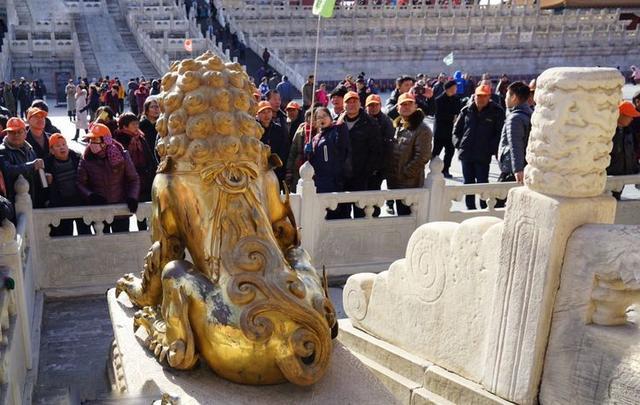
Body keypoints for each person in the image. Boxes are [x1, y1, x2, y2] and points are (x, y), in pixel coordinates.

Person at [77, 123, 140, 233]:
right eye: (90, 141)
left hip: (121, 211)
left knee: (121, 244)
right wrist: (91, 195)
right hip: (99, 211)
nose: (92, 144)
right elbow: (80, 183)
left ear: (105, 141)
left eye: (95, 140)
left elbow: (133, 179)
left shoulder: (122, 155)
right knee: (103, 246)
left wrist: (132, 197)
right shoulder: (86, 159)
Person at [453, 84, 505, 210]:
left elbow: (500, 133)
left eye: (484, 96)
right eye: (478, 96)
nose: (480, 99)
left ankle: (484, 208)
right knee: (468, 184)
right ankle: (470, 209)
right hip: (466, 153)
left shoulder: (496, 112)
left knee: (482, 183)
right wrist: (459, 144)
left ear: (489, 97)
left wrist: (490, 148)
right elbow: (456, 130)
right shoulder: (466, 110)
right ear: (474, 96)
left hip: (483, 154)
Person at [386, 93, 432, 216]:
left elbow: (422, 157)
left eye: (409, 104)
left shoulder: (422, 129)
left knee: (410, 218)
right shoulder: (396, 126)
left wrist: (406, 173)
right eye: (403, 104)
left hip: (410, 183)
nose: (406, 107)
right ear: (397, 108)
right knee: (401, 218)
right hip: (395, 182)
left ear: (415, 106)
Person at [340, 91, 383, 218]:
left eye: (355, 101)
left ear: (360, 103)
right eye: (348, 102)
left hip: (362, 177)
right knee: (343, 213)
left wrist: (367, 171)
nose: (352, 105)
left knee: (361, 212)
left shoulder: (370, 123)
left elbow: (376, 151)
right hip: (342, 176)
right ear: (344, 105)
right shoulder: (338, 123)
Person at [114, 113, 157, 230]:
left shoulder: (141, 138)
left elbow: (149, 157)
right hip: (129, 181)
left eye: (137, 123)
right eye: (133, 124)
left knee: (146, 211)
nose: (137, 126)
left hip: (145, 179)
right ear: (124, 127)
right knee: (130, 212)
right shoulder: (119, 141)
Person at [45, 133, 91, 236]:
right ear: (52, 151)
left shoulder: (77, 158)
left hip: (80, 202)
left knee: (85, 232)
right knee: (65, 234)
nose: (62, 147)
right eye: (57, 146)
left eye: (64, 144)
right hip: (62, 204)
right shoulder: (48, 164)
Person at [308, 107, 350, 219]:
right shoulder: (315, 138)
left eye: (324, 116)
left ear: (330, 117)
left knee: (336, 216)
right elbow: (312, 161)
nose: (322, 119)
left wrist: (341, 126)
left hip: (334, 182)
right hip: (320, 183)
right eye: (318, 117)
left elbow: (341, 144)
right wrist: (307, 151)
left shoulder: (335, 131)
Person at [0, 117, 47, 207]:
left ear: (25, 133)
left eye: (19, 132)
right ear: (6, 134)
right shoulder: (2, 151)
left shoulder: (30, 149)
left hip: (32, 200)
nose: (16, 135)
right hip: (11, 203)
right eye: (12, 132)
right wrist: (31, 166)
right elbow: (8, 171)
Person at [497, 82, 533, 184]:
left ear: (514, 97)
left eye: (507, 95)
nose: (505, 98)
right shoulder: (529, 113)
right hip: (523, 166)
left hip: (512, 170)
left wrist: (517, 169)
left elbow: (516, 145)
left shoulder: (515, 118)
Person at [607, 101, 640, 199]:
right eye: (629, 116)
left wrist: (635, 168)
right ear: (620, 114)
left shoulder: (629, 132)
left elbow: (631, 154)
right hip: (610, 176)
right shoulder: (608, 132)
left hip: (623, 175)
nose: (632, 119)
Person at [256, 101, 288, 187]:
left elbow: (284, 149)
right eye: (263, 112)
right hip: (258, 168)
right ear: (258, 114)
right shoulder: (253, 130)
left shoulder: (278, 129)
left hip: (275, 169)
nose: (266, 115)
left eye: (269, 112)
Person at [433, 80, 461, 178]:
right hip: (440, 131)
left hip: (451, 131)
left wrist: (456, 118)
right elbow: (439, 116)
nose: (455, 90)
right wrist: (452, 117)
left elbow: (459, 112)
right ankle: (432, 169)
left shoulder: (457, 99)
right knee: (436, 152)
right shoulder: (438, 100)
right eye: (453, 88)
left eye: (455, 88)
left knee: (450, 152)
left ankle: (445, 170)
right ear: (447, 89)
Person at [286, 109, 315, 191]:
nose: (311, 120)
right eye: (309, 118)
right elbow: (293, 151)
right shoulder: (300, 131)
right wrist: (289, 171)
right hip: (298, 167)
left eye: (314, 117)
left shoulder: (320, 132)